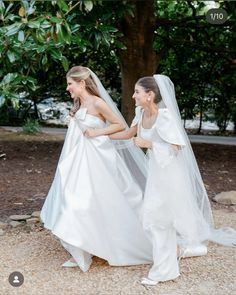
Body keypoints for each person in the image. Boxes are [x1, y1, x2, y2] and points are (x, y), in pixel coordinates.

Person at [110, 74, 236, 286]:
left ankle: (164, 271)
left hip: (170, 174)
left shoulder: (165, 117)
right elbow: (128, 134)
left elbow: (177, 148)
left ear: (150, 95)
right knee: (157, 220)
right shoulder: (140, 113)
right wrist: (99, 135)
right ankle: (176, 254)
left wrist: (148, 144)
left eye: (137, 92)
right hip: (156, 172)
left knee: (159, 220)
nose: (133, 96)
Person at [40, 66, 152, 272]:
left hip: (97, 159)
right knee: (77, 199)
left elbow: (119, 125)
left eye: (70, 84)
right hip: (80, 159)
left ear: (82, 83)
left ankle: (102, 244)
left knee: (94, 200)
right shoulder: (80, 104)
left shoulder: (97, 102)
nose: (68, 88)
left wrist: (97, 132)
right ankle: (85, 247)